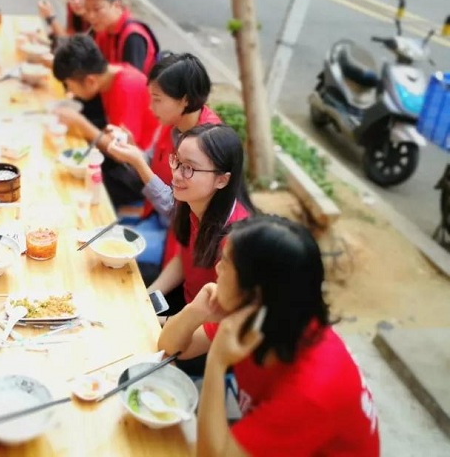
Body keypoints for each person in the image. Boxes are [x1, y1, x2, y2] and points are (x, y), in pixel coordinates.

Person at [158, 215, 380, 456]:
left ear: (254, 291)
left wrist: (217, 363)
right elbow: (170, 346)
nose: (217, 267)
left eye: (226, 262)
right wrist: (196, 311)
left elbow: (210, 454)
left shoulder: (309, 391)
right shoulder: (267, 313)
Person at [108, 52, 221, 285]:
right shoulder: (174, 123)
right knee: (99, 236)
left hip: (178, 241)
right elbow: (152, 159)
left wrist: (138, 163)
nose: (151, 107)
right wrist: (132, 151)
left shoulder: (206, 145)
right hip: (155, 218)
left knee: (109, 253)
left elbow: (180, 213)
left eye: (157, 99)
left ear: (184, 100)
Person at [148, 123, 254, 368]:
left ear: (222, 180)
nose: (176, 174)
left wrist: (157, 320)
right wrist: (148, 297)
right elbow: (183, 259)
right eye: (177, 161)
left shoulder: (235, 242)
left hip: (208, 336)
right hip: (187, 305)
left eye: (189, 168)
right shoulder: (192, 200)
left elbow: (211, 324)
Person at [52, 34, 157, 207]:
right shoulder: (111, 74)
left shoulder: (127, 88)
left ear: (90, 81)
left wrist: (80, 123)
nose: (69, 91)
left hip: (140, 173)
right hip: (125, 159)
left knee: (72, 188)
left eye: (69, 85)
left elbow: (123, 153)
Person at [83, 0, 159, 76]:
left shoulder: (133, 37)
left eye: (97, 9)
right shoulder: (100, 29)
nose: (90, 16)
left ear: (117, 5)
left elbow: (131, 81)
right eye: (87, 9)